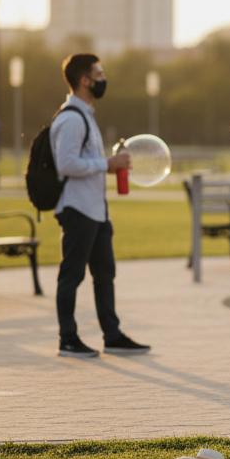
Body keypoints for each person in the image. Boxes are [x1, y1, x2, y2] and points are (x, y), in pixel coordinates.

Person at [50, 53, 149, 358]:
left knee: (105, 272)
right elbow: (65, 164)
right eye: (99, 73)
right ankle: (68, 338)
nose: (103, 79)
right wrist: (107, 163)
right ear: (84, 80)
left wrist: (109, 164)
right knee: (72, 274)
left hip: (95, 208)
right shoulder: (70, 119)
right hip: (77, 209)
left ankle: (112, 334)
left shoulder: (87, 116)